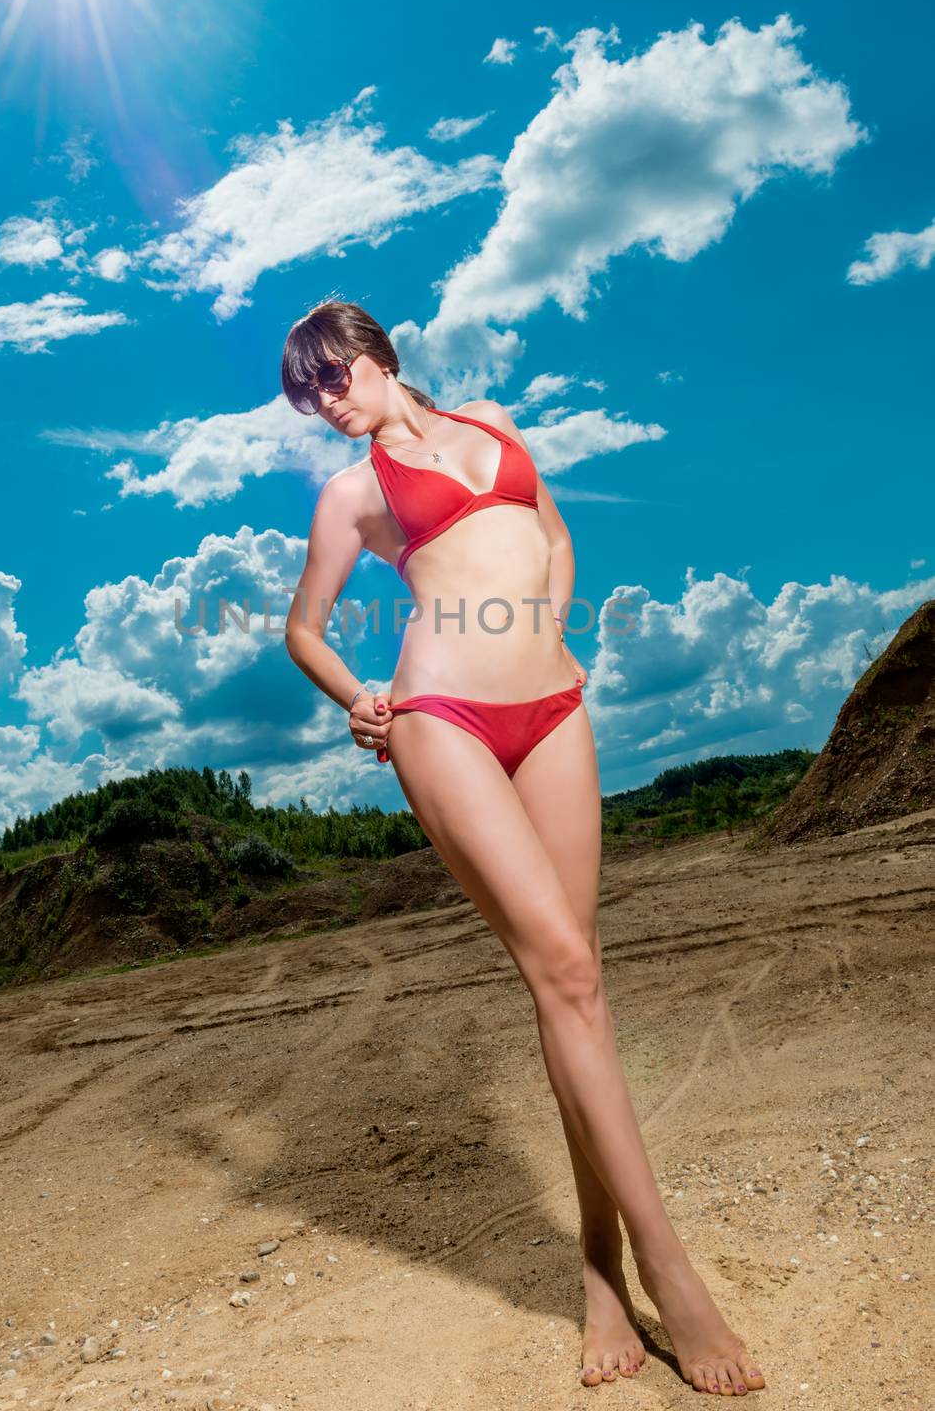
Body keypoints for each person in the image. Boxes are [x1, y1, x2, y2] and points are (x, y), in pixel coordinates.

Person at [281, 299, 766, 1396]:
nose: (323, 401)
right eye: (307, 393)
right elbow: (304, 626)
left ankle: (598, 1266)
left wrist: (549, 627)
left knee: (575, 982)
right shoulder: (352, 496)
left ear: (368, 354)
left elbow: (550, 531)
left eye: (328, 376)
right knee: (563, 968)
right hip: (439, 718)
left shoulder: (494, 424)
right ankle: (666, 1267)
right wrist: (365, 695)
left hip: (555, 707)